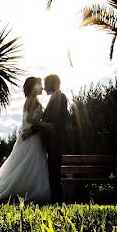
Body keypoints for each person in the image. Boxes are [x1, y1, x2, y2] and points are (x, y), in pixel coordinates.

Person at [0, 77, 51, 204]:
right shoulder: (31, 100)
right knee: (28, 163)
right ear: (34, 87)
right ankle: (23, 192)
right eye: (39, 86)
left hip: (32, 135)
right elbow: (28, 119)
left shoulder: (32, 100)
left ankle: (29, 191)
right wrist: (44, 125)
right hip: (31, 136)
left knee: (30, 164)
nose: (42, 88)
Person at [27, 74, 68, 203]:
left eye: (46, 84)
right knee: (52, 171)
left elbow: (53, 121)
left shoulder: (60, 98)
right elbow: (46, 121)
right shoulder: (54, 99)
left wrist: (32, 130)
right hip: (51, 142)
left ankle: (57, 200)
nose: (44, 88)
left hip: (55, 141)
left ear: (54, 84)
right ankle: (54, 199)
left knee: (54, 171)